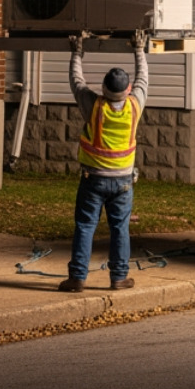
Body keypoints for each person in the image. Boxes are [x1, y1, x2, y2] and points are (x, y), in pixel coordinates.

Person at [59, 37, 149, 292]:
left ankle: (77, 278)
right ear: (128, 88)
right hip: (123, 181)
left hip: (93, 179)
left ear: (104, 88)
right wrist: (139, 49)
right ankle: (119, 277)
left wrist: (77, 52)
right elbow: (144, 78)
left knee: (85, 226)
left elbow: (76, 82)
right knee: (120, 228)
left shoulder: (93, 106)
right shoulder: (135, 105)